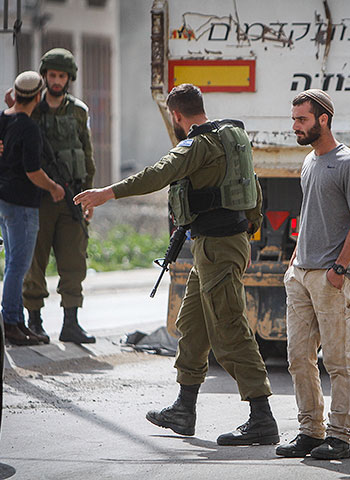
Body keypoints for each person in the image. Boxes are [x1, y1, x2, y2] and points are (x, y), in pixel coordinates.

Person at [74, 83, 280, 446]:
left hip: (218, 247)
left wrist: (107, 193)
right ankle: (184, 409)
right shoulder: (232, 135)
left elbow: (158, 173)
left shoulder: (198, 144)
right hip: (217, 245)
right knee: (193, 326)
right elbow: (254, 187)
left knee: (230, 328)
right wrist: (249, 228)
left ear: (176, 115)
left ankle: (262, 418)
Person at [275, 89, 350, 460]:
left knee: (338, 361)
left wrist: (339, 268)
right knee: (298, 358)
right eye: (294, 119)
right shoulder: (309, 161)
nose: (295, 126)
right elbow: (311, 214)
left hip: (333, 277)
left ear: (323, 119)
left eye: (301, 119)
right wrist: (295, 262)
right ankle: (310, 432)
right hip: (300, 274)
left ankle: (340, 437)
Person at [1, 48, 96, 344]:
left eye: (62, 75)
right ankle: (35, 321)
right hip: (38, 198)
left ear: (69, 78)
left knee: (74, 261)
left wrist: (89, 196)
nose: (56, 80)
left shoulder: (79, 111)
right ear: (44, 77)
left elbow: (87, 154)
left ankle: (71, 322)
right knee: (34, 263)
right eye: (52, 75)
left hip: (72, 197)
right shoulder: (31, 109)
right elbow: (5, 127)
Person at [0, 71, 65, 346]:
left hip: (2, 199)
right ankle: (11, 323)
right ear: (38, 96)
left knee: (13, 263)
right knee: (17, 266)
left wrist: (12, 101)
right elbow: (33, 171)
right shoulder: (29, 128)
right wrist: (54, 188)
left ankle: (17, 321)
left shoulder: (3, 118)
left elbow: (7, 124)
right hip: (21, 203)